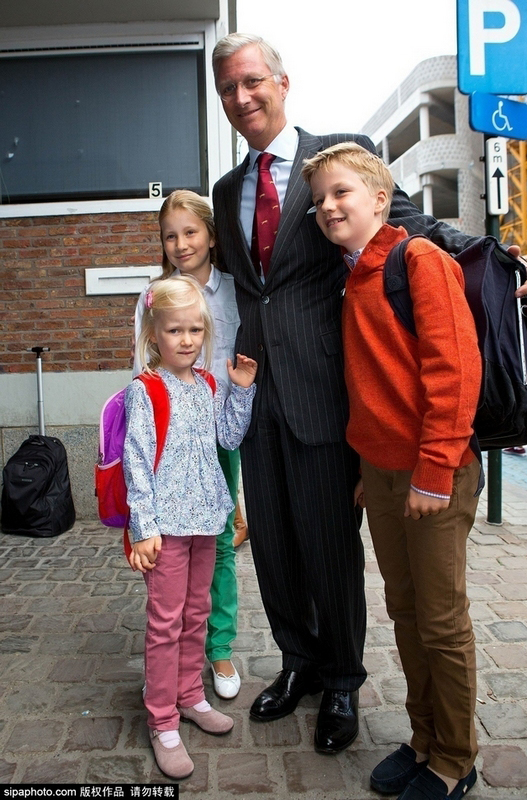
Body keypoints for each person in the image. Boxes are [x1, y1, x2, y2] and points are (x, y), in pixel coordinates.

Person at [210, 32, 527, 755]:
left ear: (281, 83)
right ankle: (298, 661)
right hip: (255, 394)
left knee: (329, 546)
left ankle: (343, 680)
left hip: (329, 392)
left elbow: (408, 223)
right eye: (228, 87)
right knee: (275, 549)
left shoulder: (338, 157)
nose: (242, 96)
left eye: (252, 80)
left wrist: (484, 253)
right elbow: (232, 285)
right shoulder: (227, 191)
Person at [302, 140, 481, 800]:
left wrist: (432, 472)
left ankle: (455, 759)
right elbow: (371, 387)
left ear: (380, 199)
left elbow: (454, 371)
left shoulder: (419, 260)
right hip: (379, 476)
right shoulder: (351, 277)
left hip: (434, 474)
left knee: (440, 622)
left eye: (340, 192)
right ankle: (423, 739)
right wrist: (369, 471)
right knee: (404, 612)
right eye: (318, 200)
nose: (328, 206)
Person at [124, 275, 256, 779]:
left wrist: (240, 391)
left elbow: (229, 437)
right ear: (154, 334)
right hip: (167, 529)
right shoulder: (146, 391)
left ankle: (189, 695)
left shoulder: (206, 385)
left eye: (195, 330)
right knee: (165, 622)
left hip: (206, 521)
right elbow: (136, 462)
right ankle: (162, 720)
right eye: (175, 330)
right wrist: (143, 528)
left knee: (196, 613)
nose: (186, 340)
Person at [133, 190, 246, 700]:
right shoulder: (152, 296)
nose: (181, 244)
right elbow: (141, 366)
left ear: (211, 236)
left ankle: (217, 647)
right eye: (169, 236)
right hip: (169, 437)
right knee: (172, 550)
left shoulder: (234, 290)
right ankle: (169, 658)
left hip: (219, 426)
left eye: (190, 232)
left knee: (219, 545)